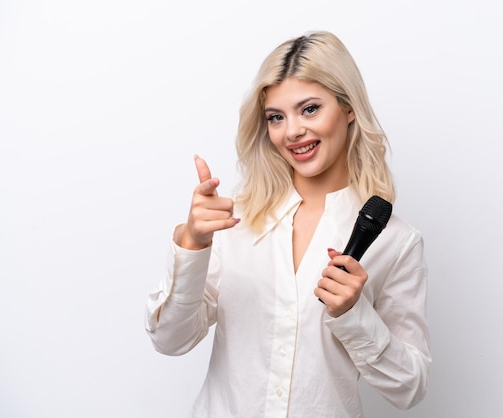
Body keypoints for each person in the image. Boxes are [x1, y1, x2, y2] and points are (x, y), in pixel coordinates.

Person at [145, 31, 430, 417]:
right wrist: (192, 243)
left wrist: (354, 314)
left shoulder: (395, 241)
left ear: (348, 107)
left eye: (309, 109)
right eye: (276, 117)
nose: (292, 131)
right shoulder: (235, 222)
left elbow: (409, 388)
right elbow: (169, 340)